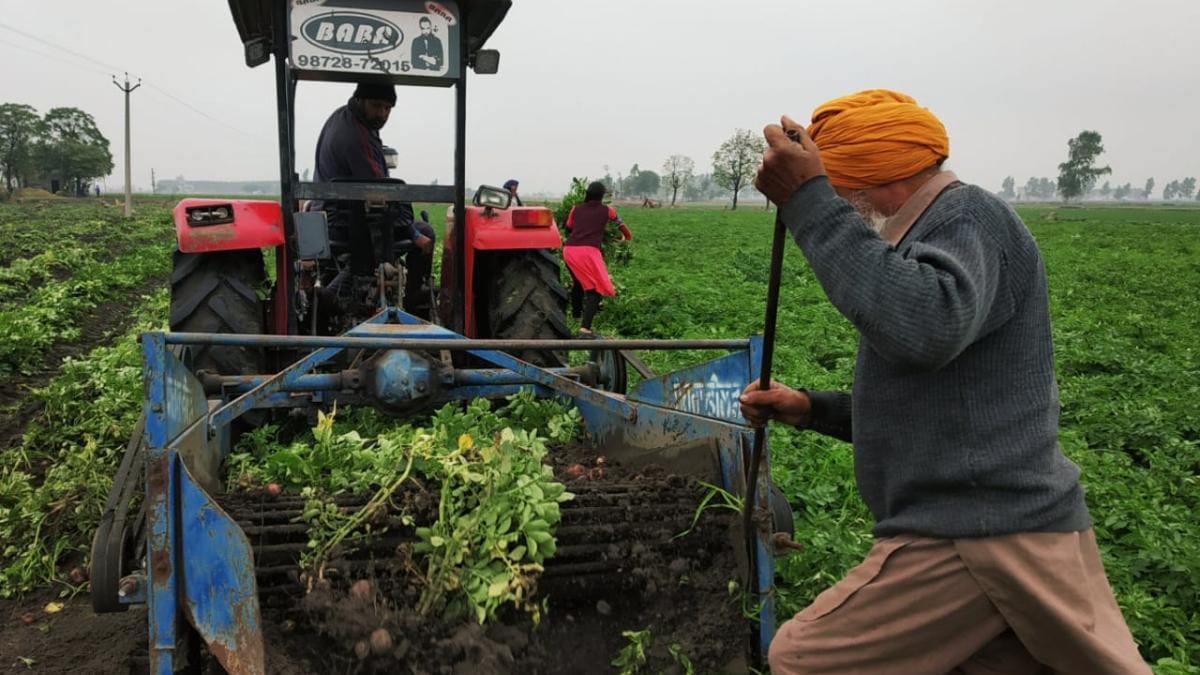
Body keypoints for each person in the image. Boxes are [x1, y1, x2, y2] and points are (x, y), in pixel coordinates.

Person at [743, 89, 1149, 675]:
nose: (842, 207)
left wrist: (808, 202)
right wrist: (809, 408)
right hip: (1006, 527)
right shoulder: (930, 235)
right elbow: (946, 407)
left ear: (874, 176)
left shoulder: (967, 217)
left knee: (805, 659)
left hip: (978, 532)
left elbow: (924, 329)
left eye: (838, 191)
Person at [313, 82, 435, 316]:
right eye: (377, 106)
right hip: (352, 223)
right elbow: (381, 192)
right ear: (360, 100)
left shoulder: (341, 118)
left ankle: (332, 295)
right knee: (425, 231)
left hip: (330, 215)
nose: (382, 114)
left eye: (388, 108)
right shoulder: (358, 138)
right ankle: (414, 307)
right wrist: (413, 234)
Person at [562, 181, 631, 336]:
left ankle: (576, 315)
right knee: (596, 289)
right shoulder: (607, 210)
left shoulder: (575, 208)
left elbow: (568, 228)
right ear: (602, 196)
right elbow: (621, 225)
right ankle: (585, 329)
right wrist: (627, 237)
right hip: (588, 253)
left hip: (569, 251)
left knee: (578, 283)